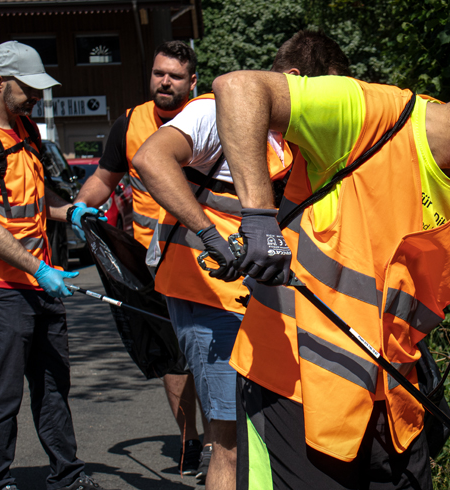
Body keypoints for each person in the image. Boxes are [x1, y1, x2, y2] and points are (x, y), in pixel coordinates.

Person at [210, 45, 450, 489]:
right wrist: (258, 217)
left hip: (392, 405)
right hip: (291, 389)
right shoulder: (371, 117)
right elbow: (238, 87)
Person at [131, 30, 351, 490]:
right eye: (324, 93)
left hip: (253, 301)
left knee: (260, 433)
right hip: (209, 299)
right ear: (294, 79)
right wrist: (209, 235)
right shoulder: (213, 111)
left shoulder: (281, 137)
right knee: (227, 440)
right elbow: (151, 160)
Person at [0, 41, 109, 490]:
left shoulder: (25, 129)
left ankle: (67, 476)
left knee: (54, 383)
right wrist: (39, 271)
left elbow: (34, 202)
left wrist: (70, 210)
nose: (35, 96)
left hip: (36, 281)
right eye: (27, 88)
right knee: (3, 390)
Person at [72, 40, 205, 477]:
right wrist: (82, 207)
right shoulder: (129, 123)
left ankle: (227, 442)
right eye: (159, 73)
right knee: (172, 357)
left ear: (192, 82)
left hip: (209, 257)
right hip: (154, 261)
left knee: (214, 351)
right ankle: (189, 444)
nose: (164, 81)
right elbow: (103, 179)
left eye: (175, 76)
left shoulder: (208, 117)